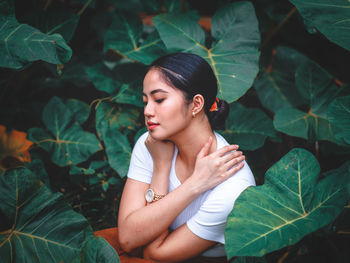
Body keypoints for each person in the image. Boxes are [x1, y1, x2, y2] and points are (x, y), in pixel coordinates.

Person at [117, 53, 256, 262]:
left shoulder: (233, 187)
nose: (147, 111)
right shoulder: (152, 145)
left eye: (159, 99)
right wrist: (168, 171)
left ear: (197, 104)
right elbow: (127, 237)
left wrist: (194, 185)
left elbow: (152, 254)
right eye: (145, 101)